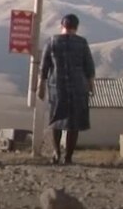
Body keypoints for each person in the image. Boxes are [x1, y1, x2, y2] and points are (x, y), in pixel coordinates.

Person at [37, 13, 96, 165]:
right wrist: (91, 86)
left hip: (57, 87)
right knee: (73, 124)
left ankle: (56, 153)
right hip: (78, 87)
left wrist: (41, 86)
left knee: (56, 120)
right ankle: (68, 157)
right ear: (76, 27)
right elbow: (89, 66)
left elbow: (44, 66)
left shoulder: (52, 42)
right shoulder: (82, 43)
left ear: (62, 26)